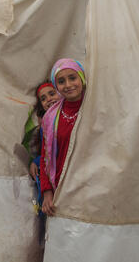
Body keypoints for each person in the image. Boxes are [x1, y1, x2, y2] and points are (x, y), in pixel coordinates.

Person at [39, 58, 86, 216]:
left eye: (72, 78)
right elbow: (45, 156)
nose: (68, 85)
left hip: (91, 188)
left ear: (82, 77)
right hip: (61, 189)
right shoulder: (50, 118)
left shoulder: (95, 107)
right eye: (61, 81)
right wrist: (47, 191)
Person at [22, 82, 60, 181]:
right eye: (43, 99)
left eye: (52, 94)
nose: (49, 99)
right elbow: (46, 152)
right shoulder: (45, 127)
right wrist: (36, 162)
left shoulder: (71, 116)